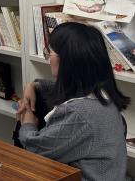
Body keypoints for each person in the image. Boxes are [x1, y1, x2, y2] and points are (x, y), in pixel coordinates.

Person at [16, 22, 128, 180]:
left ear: (66, 60)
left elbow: (35, 147)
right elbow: (64, 88)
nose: (48, 59)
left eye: (49, 52)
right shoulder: (103, 94)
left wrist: (28, 120)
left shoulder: (78, 114)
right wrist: (33, 85)